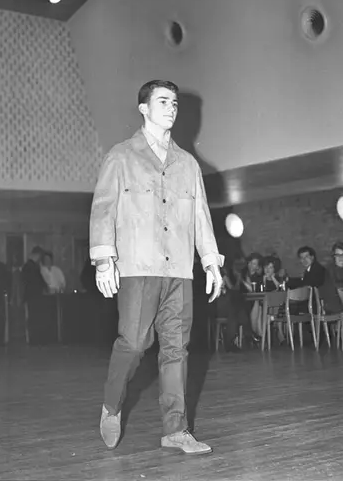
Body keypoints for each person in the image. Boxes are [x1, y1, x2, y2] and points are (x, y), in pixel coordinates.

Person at [90, 79, 223, 456]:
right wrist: (104, 260)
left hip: (179, 271)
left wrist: (211, 261)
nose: (172, 108)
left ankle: (176, 430)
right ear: (143, 108)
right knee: (134, 344)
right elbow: (103, 208)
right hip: (138, 267)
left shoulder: (188, 164)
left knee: (176, 350)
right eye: (163, 101)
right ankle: (111, 405)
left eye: (175, 103)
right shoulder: (121, 156)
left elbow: (201, 216)